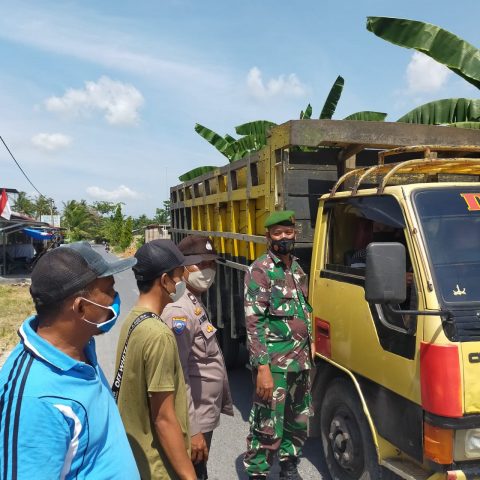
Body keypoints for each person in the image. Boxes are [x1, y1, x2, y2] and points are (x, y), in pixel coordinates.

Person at [0, 241, 140, 479]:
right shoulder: (34, 400)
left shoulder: (81, 346)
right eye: (109, 290)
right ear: (81, 308)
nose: (115, 298)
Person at [114, 239, 202, 480]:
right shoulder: (159, 334)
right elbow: (163, 418)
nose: (182, 283)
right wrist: (189, 476)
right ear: (164, 280)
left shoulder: (133, 321)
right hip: (158, 467)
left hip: (137, 459)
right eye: (178, 277)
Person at [243, 210, 314, 480]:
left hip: (300, 361)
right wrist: (262, 368)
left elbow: (302, 310)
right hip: (274, 365)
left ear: (295, 234)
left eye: (288, 232)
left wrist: (311, 346)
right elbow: (254, 322)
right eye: (277, 233)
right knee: (267, 424)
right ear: (268, 237)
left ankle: (288, 466)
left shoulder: (296, 269)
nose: (284, 237)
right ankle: (258, 472)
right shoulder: (260, 270)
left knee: (297, 420)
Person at [162, 236, 233, 480]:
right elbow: (178, 376)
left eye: (211, 265)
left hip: (204, 415)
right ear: (182, 269)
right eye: (199, 265)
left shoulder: (195, 302)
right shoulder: (178, 312)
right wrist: (193, 431)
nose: (207, 271)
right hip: (194, 420)